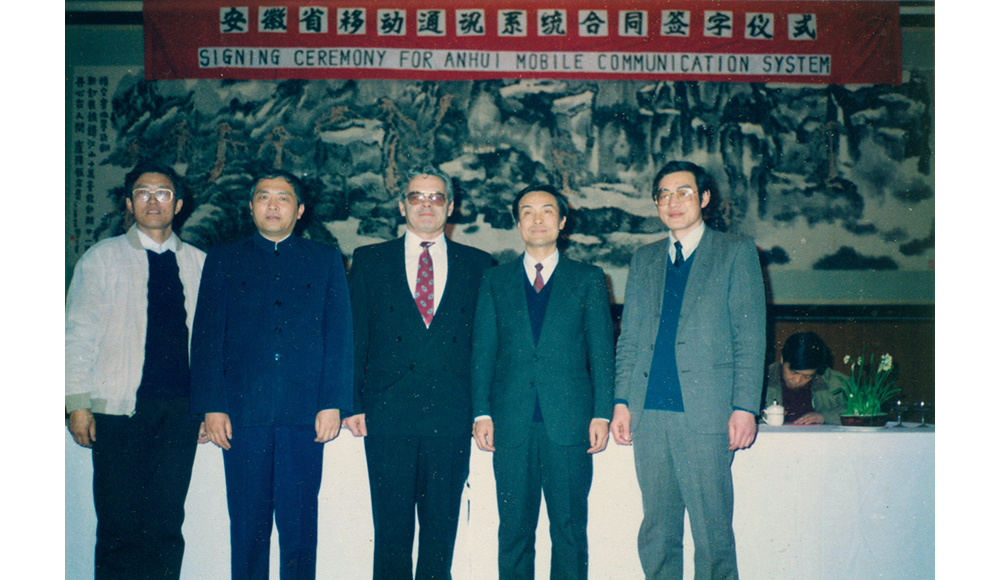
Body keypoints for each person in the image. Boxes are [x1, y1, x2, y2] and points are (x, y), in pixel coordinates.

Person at [190, 169, 353, 580]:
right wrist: (211, 406)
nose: (273, 205)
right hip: (243, 416)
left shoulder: (324, 259)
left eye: (283, 198)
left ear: (300, 210)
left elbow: (339, 335)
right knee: (247, 526)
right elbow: (207, 339)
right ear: (251, 207)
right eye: (264, 197)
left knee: (300, 526)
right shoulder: (224, 259)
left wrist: (332, 401)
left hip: (305, 414)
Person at [610, 161, 766, 580]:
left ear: (705, 197)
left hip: (707, 415)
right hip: (650, 415)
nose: (673, 202)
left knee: (712, 535)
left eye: (683, 192)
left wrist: (744, 406)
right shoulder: (644, 260)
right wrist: (621, 401)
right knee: (657, 533)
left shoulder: (734, 252)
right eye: (664, 194)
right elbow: (629, 339)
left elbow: (750, 338)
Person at [344, 166, 492, 580]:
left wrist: (482, 410)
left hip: (450, 414)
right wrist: (352, 402)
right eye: (416, 197)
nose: (426, 205)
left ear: (451, 206)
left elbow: (485, 347)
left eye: (436, 197)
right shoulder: (370, 260)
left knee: (440, 534)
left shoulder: (479, 264)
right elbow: (355, 338)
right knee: (390, 533)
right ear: (401, 204)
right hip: (387, 414)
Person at [65, 161, 208, 580]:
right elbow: (78, 333)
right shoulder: (102, 258)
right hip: (119, 411)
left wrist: (206, 404)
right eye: (143, 192)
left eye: (163, 193)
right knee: (119, 527)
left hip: (180, 412)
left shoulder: (200, 263)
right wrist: (76, 402)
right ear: (129, 203)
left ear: (178, 204)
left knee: (166, 525)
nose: (152, 200)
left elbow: (210, 344)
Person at [471, 184, 615, 580]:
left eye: (547, 211)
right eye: (528, 212)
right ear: (518, 222)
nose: (537, 220)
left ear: (563, 222)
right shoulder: (494, 280)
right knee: (514, 531)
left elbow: (602, 353)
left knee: (569, 531)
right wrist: (481, 411)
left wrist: (601, 414)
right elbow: (483, 352)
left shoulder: (588, 278)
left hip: (569, 425)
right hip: (511, 424)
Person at [762, 332, 847, 425]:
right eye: (794, 372)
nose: (797, 380)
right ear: (782, 359)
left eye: (807, 376)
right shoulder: (762, 379)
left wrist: (824, 417)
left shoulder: (836, 382)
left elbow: (860, 411)